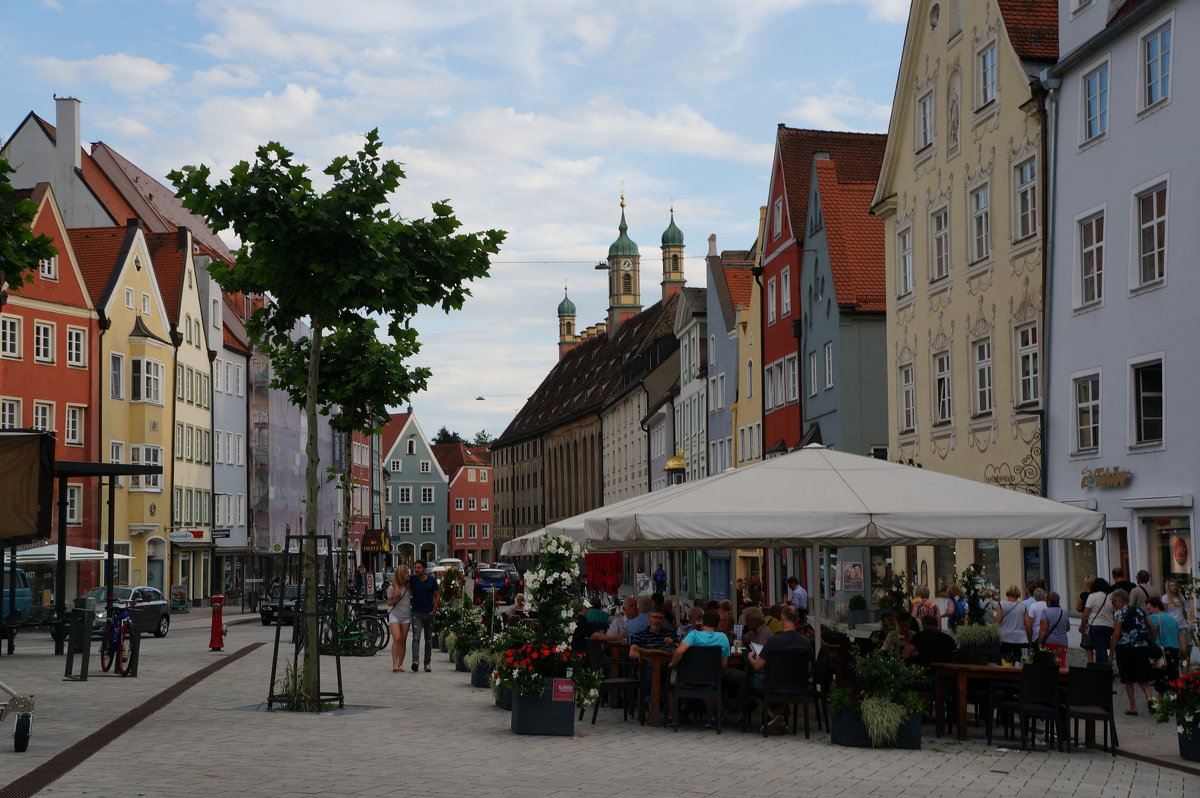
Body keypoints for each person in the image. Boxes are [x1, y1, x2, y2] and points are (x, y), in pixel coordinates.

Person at [745, 605, 814, 734]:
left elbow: (758, 666)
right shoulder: (805, 642)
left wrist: (750, 658)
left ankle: (774, 715)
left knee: (753, 681)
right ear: (797, 620)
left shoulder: (774, 641)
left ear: (781, 619)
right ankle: (779, 718)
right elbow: (809, 668)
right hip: (798, 687)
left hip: (774, 686)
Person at [669, 610, 730, 729]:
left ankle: (672, 717)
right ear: (717, 624)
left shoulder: (694, 634)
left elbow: (680, 651)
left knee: (671, 683)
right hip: (710, 680)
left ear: (702, 622)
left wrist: (672, 663)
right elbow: (724, 664)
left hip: (687, 679)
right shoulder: (723, 637)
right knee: (710, 680)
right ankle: (711, 717)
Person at [1109, 588, 1153, 715]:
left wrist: (1111, 653)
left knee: (1127, 678)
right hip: (1141, 647)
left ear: (1119, 601)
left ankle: (1133, 707)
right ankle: (1149, 697)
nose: (1113, 605)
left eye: (1113, 602)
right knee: (1141, 673)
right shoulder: (1139, 610)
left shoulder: (1119, 613)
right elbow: (1152, 626)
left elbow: (1116, 634)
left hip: (1126, 648)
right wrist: (1151, 641)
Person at [1146, 596, 1182, 694]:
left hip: (1162, 651)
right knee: (1174, 677)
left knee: (1161, 678)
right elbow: (1178, 636)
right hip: (1175, 649)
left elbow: (1153, 630)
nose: (1148, 611)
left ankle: (1162, 701)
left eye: (1149, 609)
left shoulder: (1154, 617)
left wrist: (1151, 642)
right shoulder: (1172, 619)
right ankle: (1175, 697)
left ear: (1156, 606)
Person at [408, 559, 439, 673]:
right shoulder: (412, 579)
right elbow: (400, 581)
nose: (416, 570)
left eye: (419, 568)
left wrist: (434, 610)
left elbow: (437, 595)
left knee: (428, 640)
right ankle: (415, 661)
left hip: (429, 613)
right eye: (415, 567)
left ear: (424, 569)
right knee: (416, 637)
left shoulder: (432, 580)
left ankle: (427, 663)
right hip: (416, 612)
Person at [1082, 577, 1114, 665]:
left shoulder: (1092, 596)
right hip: (1109, 626)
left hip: (1096, 626)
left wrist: (1082, 626)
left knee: (1100, 649)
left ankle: (1106, 669)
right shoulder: (1110, 597)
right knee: (1102, 647)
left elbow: (1085, 614)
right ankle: (1099, 670)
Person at [386, 565, 412, 672]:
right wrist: (395, 597)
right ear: (401, 574)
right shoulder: (392, 588)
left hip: (406, 616)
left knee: (403, 640)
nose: (408, 574)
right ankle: (394, 663)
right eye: (406, 573)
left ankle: (400, 664)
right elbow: (389, 603)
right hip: (395, 615)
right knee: (397, 637)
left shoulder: (409, 586)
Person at [1035, 592, 1070, 667]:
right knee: (1060, 663)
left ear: (1049, 601)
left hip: (1049, 642)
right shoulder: (1065, 612)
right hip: (1062, 642)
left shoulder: (1045, 612)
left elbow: (1044, 629)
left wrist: (1040, 642)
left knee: (1049, 663)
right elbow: (1067, 628)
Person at [995, 585, 1028, 660]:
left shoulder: (1001, 604)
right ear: (1018, 595)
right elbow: (1028, 624)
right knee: (1018, 661)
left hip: (1005, 637)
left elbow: (998, 620)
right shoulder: (1023, 606)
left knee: (1005, 660)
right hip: (1019, 639)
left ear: (1007, 594)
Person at [1164, 579, 1192, 661]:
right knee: (1174, 650)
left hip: (1182, 625)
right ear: (1168, 587)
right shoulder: (1165, 598)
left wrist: (1187, 621)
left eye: (1175, 585)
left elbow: (1183, 611)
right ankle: (1177, 669)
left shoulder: (1181, 597)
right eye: (1171, 585)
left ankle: (1183, 668)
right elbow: (1164, 612)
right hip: (1171, 627)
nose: (1173, 587)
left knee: (1184, 650)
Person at [1076, 575, 1096, 662]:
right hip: (1097, 619)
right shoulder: (1097, 595)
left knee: (1088, 644)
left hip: (1087, 621)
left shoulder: (1083, 595)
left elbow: (1078, 608)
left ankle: (1090, 662)